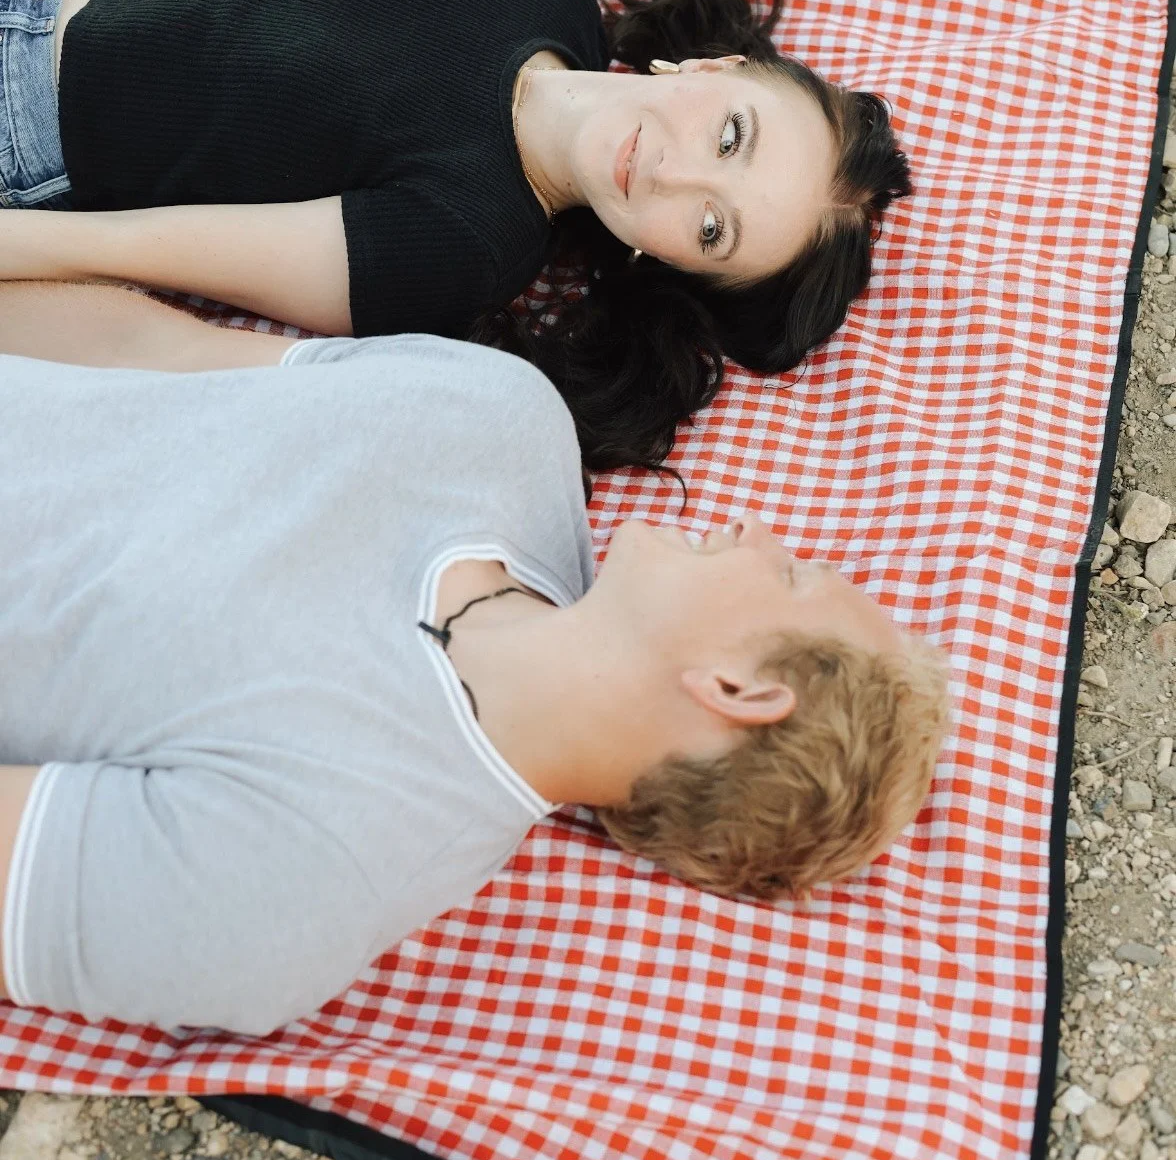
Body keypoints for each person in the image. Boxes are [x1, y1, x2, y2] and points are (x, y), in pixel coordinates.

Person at [0, 281, 948, 1037]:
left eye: (787, 574)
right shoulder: (504, 423)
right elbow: (148, 352)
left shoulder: (296, 888)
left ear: (739, 690)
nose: (754, 530)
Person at [0, 0, 912, 471]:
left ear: (666, 261)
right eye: (730, 136)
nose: (676, 174)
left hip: (21, 114)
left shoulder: (463, 242)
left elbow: (131, 245)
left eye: (712, 229)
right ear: (714, 66)